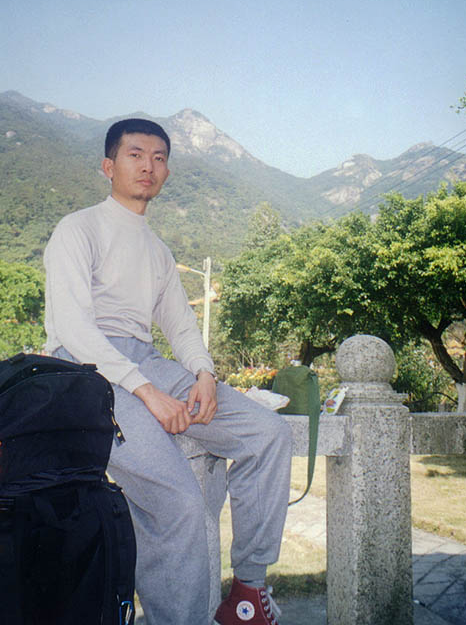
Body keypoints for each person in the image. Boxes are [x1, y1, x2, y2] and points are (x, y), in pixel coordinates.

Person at [44, 118, 292, 625]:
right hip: (84, 373)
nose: (148, 166)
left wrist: (204, 375)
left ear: (167, 172)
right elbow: (72, 327)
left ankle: (247, 592)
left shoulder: (158, 251)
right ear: (108, 166)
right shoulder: (78, 228)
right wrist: (147, 392)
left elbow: (180, 327)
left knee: (267, 434)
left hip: (145, 360)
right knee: (179, 502)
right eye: (135, 155)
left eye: (158, 158)